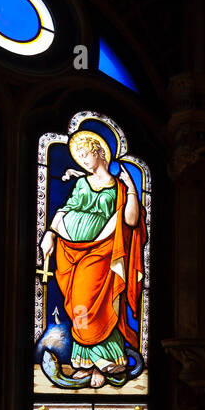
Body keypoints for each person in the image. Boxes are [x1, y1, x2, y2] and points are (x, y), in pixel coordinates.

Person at [40, 131, 144, 388]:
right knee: (78, 305)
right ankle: (85, 362)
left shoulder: (119, 188)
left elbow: (130, 221)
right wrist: (51, 234)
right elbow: (67, 209)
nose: (84, 160)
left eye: (88, 154)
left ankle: (105, 363)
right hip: (71, 250)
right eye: (81, 156)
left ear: (100, 152)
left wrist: (131, 189)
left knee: (97, 304)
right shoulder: (82, 184)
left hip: (104, 253)